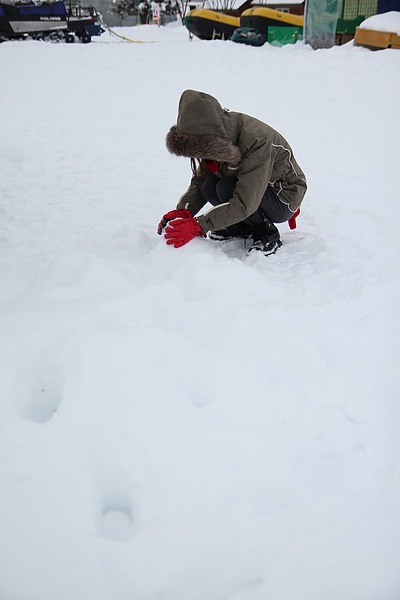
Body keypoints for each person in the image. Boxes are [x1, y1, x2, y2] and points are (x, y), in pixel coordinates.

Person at [158, 89, 307, 256]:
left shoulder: (255, 141)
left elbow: (245, 202)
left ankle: (267, 234)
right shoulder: (216, 134)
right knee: (209, 186)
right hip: (252, 189)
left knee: (226, 188)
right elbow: (200, 182)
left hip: (283, 197)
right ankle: (241, 227)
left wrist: (199, 225)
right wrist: (185, 210)